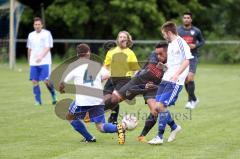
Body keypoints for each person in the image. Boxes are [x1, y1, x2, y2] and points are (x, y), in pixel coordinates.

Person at [59, 43, 127, 144]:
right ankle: (120, 127)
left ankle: (89, 138)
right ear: (89, 53)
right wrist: (99, 79)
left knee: (70, 116)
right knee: (101, 126)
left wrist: (62, 90)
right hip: (97, 100)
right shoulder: (96, 65)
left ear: (77, 55)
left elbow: (62, 83)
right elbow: (108, 75)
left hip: (82, 101)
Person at [148, 21, 193, 145]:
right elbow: (172, 63)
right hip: (166, 78)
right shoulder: (171, 44)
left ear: (168, 32)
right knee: (157, 107)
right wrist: (164, 66)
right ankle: (174, 127)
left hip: (175, 81)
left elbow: (187, 61)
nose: (164, 36)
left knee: (161, 107)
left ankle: (159, 137)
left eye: (164, 34)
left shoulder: (181, 43)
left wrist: (177, 74)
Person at [103, 31, 139, 124]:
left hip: (124, 79)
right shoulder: (111, 52)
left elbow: (136, 69)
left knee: (114, 99)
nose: (122, 38)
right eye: (120, 37)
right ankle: (113, 119)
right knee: (106, 100)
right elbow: (106, 66)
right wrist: (102, 76)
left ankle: (94, 113)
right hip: (112, 79)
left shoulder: (130, 53)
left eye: (124, 37)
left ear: (127, 40)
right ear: (118, 39)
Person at [177, 12, 205, 109]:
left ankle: (190, 101)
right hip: (182, 58)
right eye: (184, 18)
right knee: (185, 80)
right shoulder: (178, 30)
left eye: (188, 18)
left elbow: (202, 41)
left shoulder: (196, 31)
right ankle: (194, 99)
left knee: (190, 78)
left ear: (191, 20)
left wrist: (195, 45)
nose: (186, 19)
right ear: (182, 19)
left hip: (192, 57)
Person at [27, 17, 56, 106]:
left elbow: (48, 47)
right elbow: (29, 48)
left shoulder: (47, 34)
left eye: (39, 24)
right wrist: (29, 60)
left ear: (42, 25)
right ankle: (38, 101)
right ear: (33, 25)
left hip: (45, 61)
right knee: (34, 81)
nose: (37, 26)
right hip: (34, 62)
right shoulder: (31, 35)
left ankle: (53, 95)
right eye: (35, 24)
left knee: (46, 81)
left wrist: (41, 56)